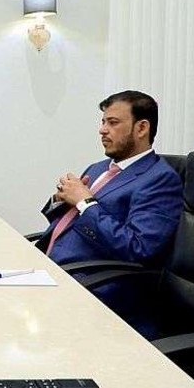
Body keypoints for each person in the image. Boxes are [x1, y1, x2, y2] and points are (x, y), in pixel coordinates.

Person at [35, 90, 183, 337]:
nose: (102, 130)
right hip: (48, 270)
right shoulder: (98, 168)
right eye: (103, 122)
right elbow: (73, 221)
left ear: (141, 128)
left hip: (90, 288)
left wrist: (85, 203)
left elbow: (139, 248)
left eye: (113, 123)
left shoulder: (159, 179)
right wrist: (60, 200)